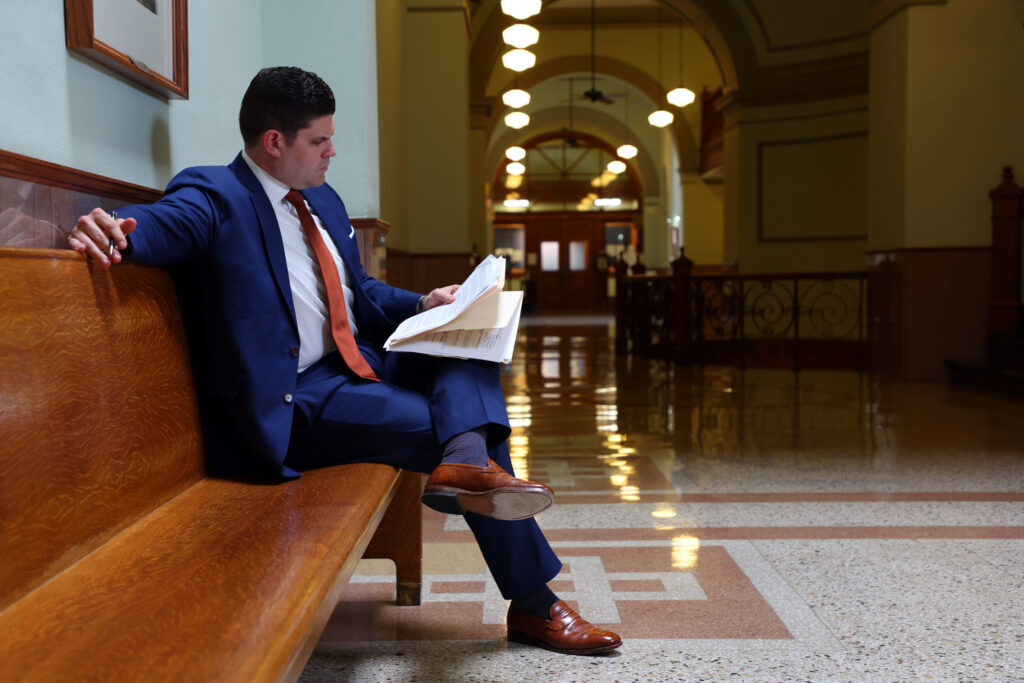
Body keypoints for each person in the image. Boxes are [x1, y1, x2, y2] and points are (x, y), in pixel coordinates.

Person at [67, 66, 621, 656]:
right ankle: (531, 594)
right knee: (459, 425)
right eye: (319, 140)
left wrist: (426, 305)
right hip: (296, 402)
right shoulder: (215, 194)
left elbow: (359, 291)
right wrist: (117, 229)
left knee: (468, 340)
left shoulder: (322, 199)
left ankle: (465, 461)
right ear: (274, 142)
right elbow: (162, 224)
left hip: (356, 365)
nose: (333, 150)